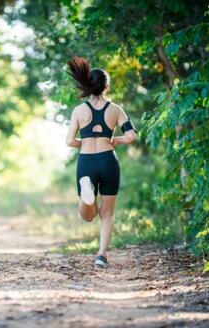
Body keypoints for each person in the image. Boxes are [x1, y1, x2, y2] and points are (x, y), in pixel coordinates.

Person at [65, 55, 137, 267]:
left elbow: (69, 141)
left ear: (88, 85)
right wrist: (114, 139)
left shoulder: (79, 110)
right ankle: (101, 256)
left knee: (88, 215)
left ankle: (88, 200)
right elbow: (132, 136)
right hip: (108, 161)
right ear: (106, 86)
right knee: (107, 214)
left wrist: (85, 142)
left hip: (86, 161)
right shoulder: (116, 109)